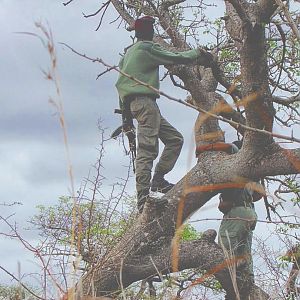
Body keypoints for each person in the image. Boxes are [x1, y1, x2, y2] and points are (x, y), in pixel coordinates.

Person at [115, 16, 207, 213]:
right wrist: (197, 52)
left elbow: (119, 85)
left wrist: (125, 116)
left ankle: (158, 180)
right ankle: (142, 200)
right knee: (147, 151)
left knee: (174, 139)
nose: (152, 32)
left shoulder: (127, 54)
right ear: (148, 33)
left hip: (135, 105)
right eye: (151, 29)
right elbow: (178, 58)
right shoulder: (147, 48)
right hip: (145, 104)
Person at [218, 141, 264, 299]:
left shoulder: (235, 167)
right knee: (244, 251)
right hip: (250, 212)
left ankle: (232, 288)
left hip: (237, 212)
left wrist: (205, 148)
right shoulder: (251, 173)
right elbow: (260, 193)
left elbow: (229, 147)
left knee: (226, 248)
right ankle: (247, 283)